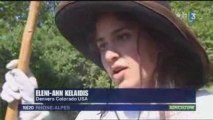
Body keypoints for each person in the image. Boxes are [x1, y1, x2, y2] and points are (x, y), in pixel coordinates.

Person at [1, 1, 213, 119]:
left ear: (159, 42)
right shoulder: (95, 115)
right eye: (102, 45)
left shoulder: (201, 109)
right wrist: (34, 108)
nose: (109, 55)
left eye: (122, 37)